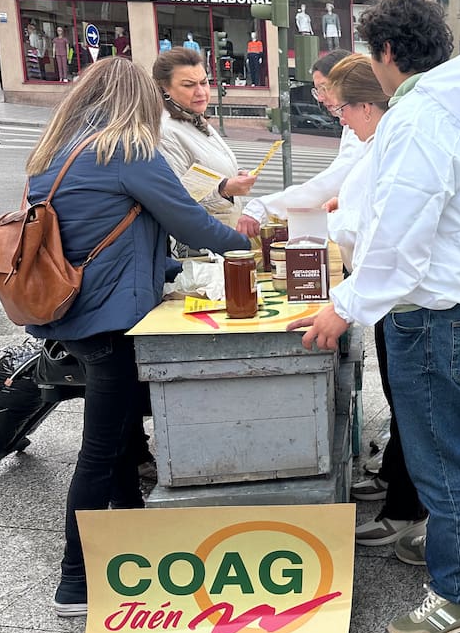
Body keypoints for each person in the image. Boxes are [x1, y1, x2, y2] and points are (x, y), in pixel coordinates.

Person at [288, 0, 460, 633]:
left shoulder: (417, 118)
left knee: (441, 453)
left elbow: (399, 236)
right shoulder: (457, 108)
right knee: (443, 444)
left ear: (386, 51)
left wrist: (344, 306)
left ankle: (457, 595)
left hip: (435, 316)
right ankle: (449, 550)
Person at [21, 58, 249, 617]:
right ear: (138, 101)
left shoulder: (53, 153)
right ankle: (74, 580)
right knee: (100, 446)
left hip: (65, 313)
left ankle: (128, 518)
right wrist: (247, 246)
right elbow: (189, 222)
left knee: (120, 427)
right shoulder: (125, 150)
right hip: (109, 320)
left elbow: (99, 235)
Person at [317, 55, 429, 549]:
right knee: (407, 405)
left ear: (367, 105)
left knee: (417, 412)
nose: (337, 116)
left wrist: (343, 307)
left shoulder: (398, 140)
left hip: (408, 303)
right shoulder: (386, 139)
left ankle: (409, 512)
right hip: (395, 298)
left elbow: (387, 237)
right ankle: (398, 487)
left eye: (342, 107)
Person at [236, 49, 353, 238]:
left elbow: (334, 180)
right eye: (317, 91)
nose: (321, 98)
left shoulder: (364, 123)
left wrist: (267, 207)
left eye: (325, 88)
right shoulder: (351, 122)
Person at [153, 47, 257, 227]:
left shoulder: (193, 117)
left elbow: (203, 169)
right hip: (201, 244)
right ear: (164, 88)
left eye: (204, 82)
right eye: (189, 85)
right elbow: (174, 199)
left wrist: (232, 175)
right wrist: (224, 188)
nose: (201, 91)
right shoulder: (166, 131)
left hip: (218, 235)